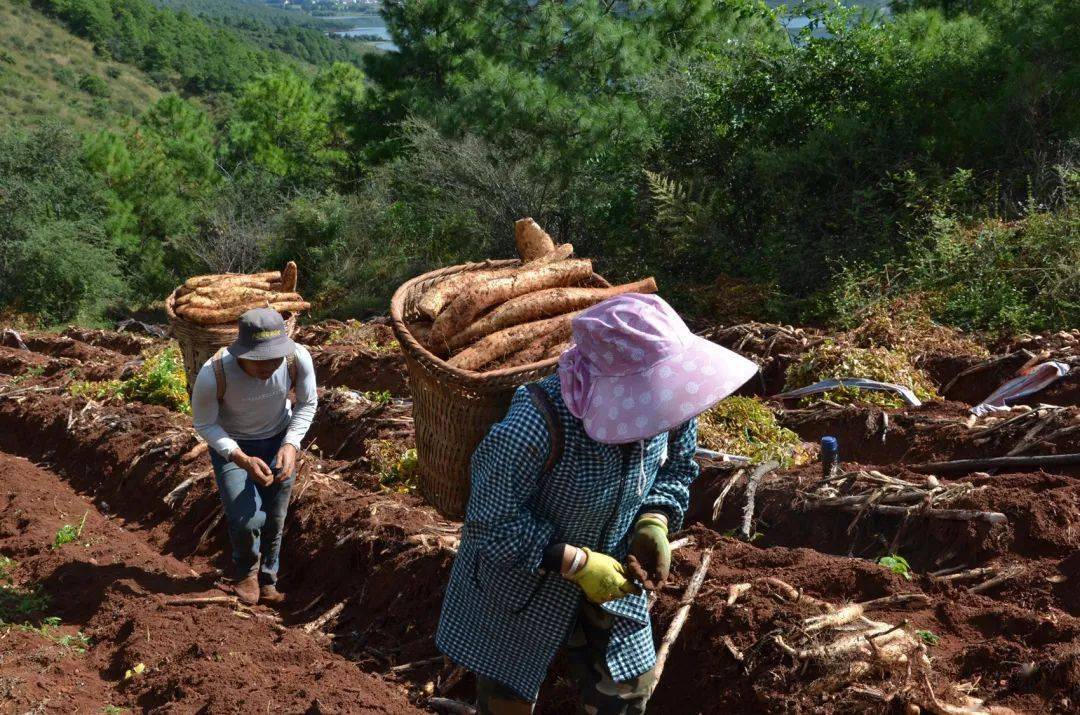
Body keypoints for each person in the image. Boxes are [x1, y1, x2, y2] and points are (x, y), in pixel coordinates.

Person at [436, 293, 758, 713]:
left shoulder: (670, 402)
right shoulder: (535, 422)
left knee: (628, 690)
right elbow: (489, 523)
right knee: (506, 700)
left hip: (615, 572)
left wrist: (654, 520)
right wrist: (574, 563)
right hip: (521, 580)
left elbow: (677, 468)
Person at [191, 308, 318, 606]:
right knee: (247, 518)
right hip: (234, 447)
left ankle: (268, 577)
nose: (269, 366)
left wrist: (291, 444)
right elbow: (205, 423)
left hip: (278, 440)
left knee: (275, 516)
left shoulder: (297, 358)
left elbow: (307, 403)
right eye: (259, 359)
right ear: (240, 352)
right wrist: (241, 458)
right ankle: (246, 570)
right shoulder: (214, 373)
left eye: (274, 357)